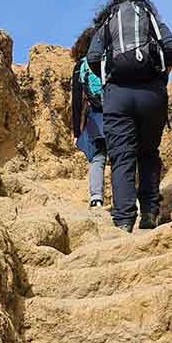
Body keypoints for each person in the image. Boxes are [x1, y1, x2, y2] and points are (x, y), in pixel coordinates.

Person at [86, 0, 172, 232]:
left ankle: (124, 221)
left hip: (118, 97)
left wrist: (109, 80)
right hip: (152, 94)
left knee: (121, 157)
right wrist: (162, 75)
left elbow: (93, 57)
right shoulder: (147, 16)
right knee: (148, 153)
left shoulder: (108, 22)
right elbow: (171, 47)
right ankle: (149, 212)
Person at [70, 26, 108, 209]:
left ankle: (96, 198)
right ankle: (128, 197)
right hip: (117, 113)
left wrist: (77, 131)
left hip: (95, 118)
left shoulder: (81, 66)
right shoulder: (109, 58)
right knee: (121, 155)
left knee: (98, 158)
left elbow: (77, 102)